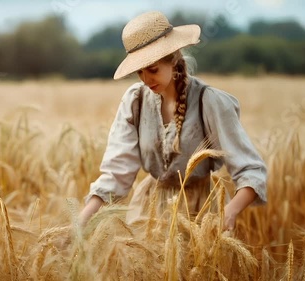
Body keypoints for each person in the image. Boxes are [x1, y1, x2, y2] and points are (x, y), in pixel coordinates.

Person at [78, 11, 267, 231]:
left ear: (174, 58)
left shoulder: (210, 101)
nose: (146, 79)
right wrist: (80, 222)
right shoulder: (135, 101)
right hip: (147, 217)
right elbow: (116, 174)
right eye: (139, 72)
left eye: (153, 69)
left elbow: (251, 171)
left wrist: (230, 212)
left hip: (201, 217)